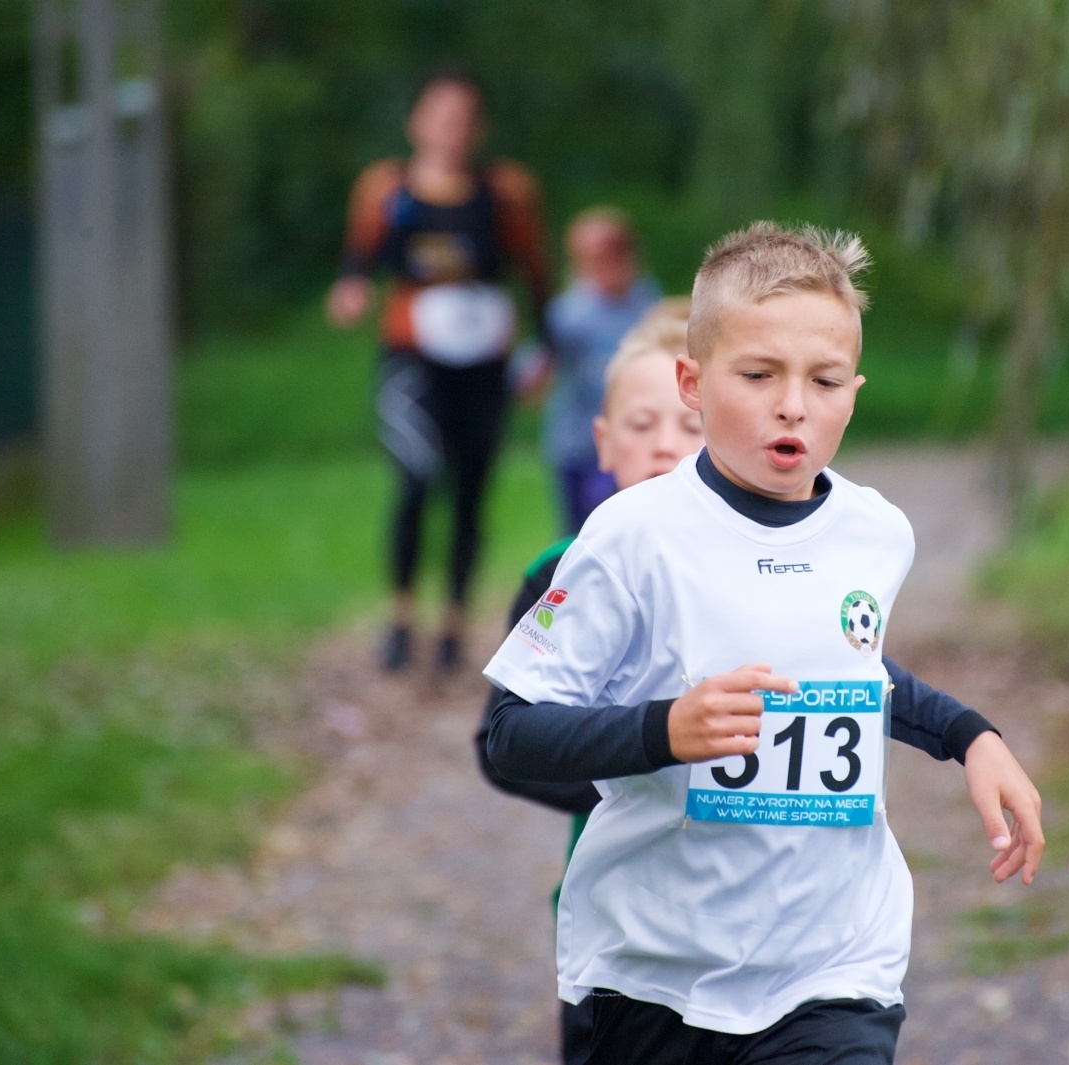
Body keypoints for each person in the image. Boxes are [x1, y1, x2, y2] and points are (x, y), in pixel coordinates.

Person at [481, 223, 1045, 1064]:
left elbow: (851, 667)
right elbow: (509, 734)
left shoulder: (876, 533)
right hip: (656, 973)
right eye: (759, 375)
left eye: (823, 380)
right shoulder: (631, 536)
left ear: (853, 391)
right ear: (694, 383)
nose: (794, 404)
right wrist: (663, 730)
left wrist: (972, 738)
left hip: (835, 967)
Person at [477, 298, 703, 1064]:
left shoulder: (788, 572)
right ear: (604, 442)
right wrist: (639, 764)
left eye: (691, 427)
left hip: (764, 925)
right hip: (616, 920)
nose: (666, 448)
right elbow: (500, 744)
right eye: (643, 426)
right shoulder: (561, 572)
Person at [327, 68, 551, 674]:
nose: (451, 130)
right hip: (412, 355)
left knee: (472, 491)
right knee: (416, 479)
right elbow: (358, 258)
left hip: (485, 359)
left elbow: (535, 271)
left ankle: (453, 622)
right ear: (417, 124)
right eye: (440, 116)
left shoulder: (505, 191)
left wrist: (546, 349)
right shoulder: (386, 187)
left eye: (463, 119)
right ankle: (401, 618)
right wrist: (349, 289)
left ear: (476, 129)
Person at [542, 208, 662, 534]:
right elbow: (539, 366)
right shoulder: (566, 313)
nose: (606, 265)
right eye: (594, 257)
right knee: (578, 533)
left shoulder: (650, 307)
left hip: (632, 439)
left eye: (615, 253)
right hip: (576, 440)